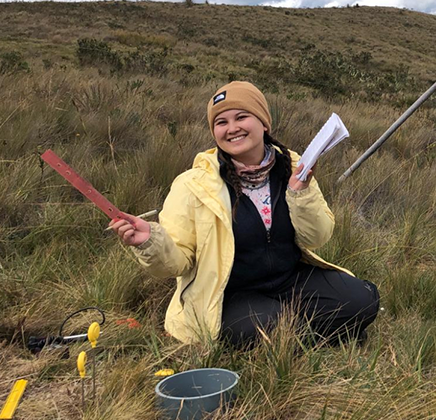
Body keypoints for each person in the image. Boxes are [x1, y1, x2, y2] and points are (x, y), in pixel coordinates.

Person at [109, 81, 379, 347]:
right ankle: (312, 333)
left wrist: (300, 192)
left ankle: (296, 336)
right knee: (272, 327)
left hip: (290, 279)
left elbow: (317, 237)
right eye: (221, 122)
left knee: (363, 298)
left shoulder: (293, 167)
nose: (232, 128)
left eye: (241, 117)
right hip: (230, 293)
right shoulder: (193, 185)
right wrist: (150, 241)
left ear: (263, 123)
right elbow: (177, 264)